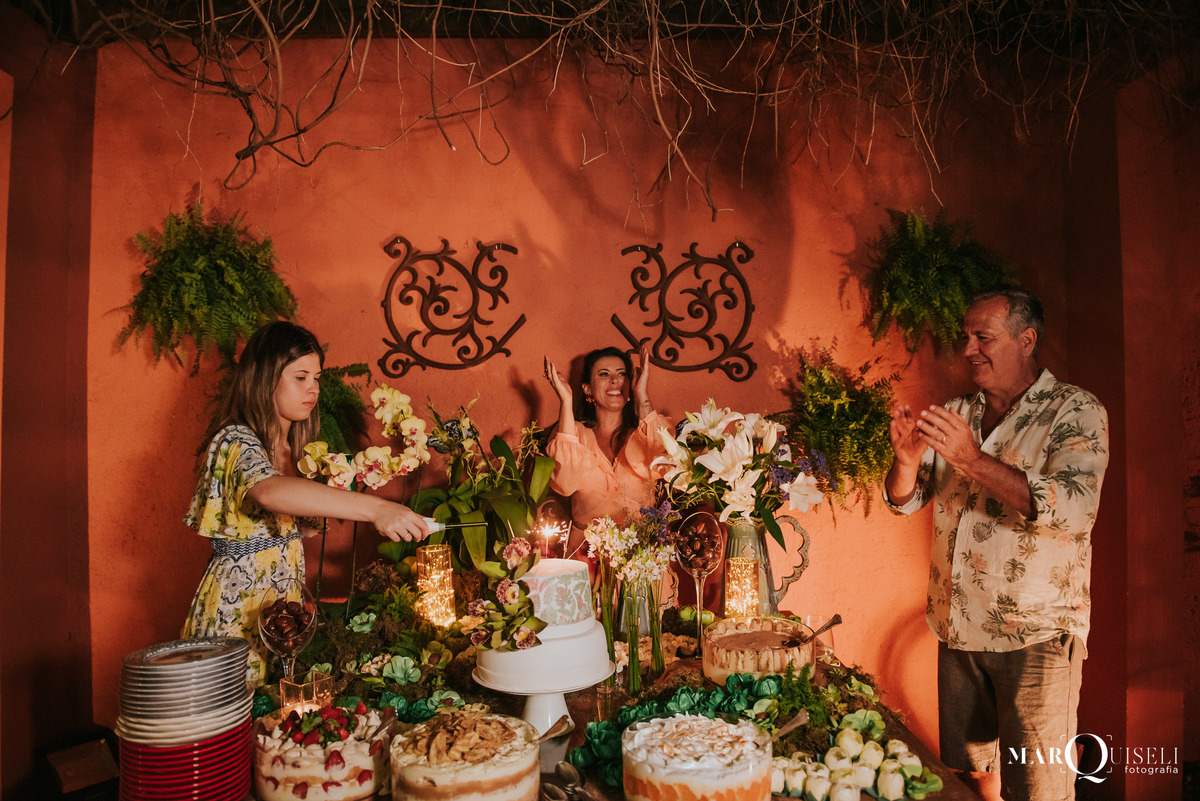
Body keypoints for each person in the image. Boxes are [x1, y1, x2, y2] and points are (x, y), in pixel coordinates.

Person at [884, 288, 1109, 801]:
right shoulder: (958, 411)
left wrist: (971, 460)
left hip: (1035, 633)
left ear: (1026, 340)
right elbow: (905, 501)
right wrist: (906, 462)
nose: (968, 349)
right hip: (957, 625)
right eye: (966, 337)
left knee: (1039, 789)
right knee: (972, 777)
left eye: (982, 337)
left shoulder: (1075, 409)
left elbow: (1074, 508)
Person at [181, 320, 429, 684]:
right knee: (232, 714)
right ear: (264, 379)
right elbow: (268, 491)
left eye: (317, 377)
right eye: (300, 377)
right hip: (235, 619)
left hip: (281, 618)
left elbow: (289, 529)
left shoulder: (293, 452)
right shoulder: (236, 439)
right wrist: (377, 509)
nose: (313, 388)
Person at [543, 341, 671, 559]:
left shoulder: (645, 433)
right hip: (584, 556)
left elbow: (665, 462)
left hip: (641, 559)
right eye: (604, 374)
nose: (614, 380)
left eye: (621, 374)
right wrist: (566, 400)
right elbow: (564, 482)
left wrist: (642, 393)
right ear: (587, 388)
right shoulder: (574, 433)